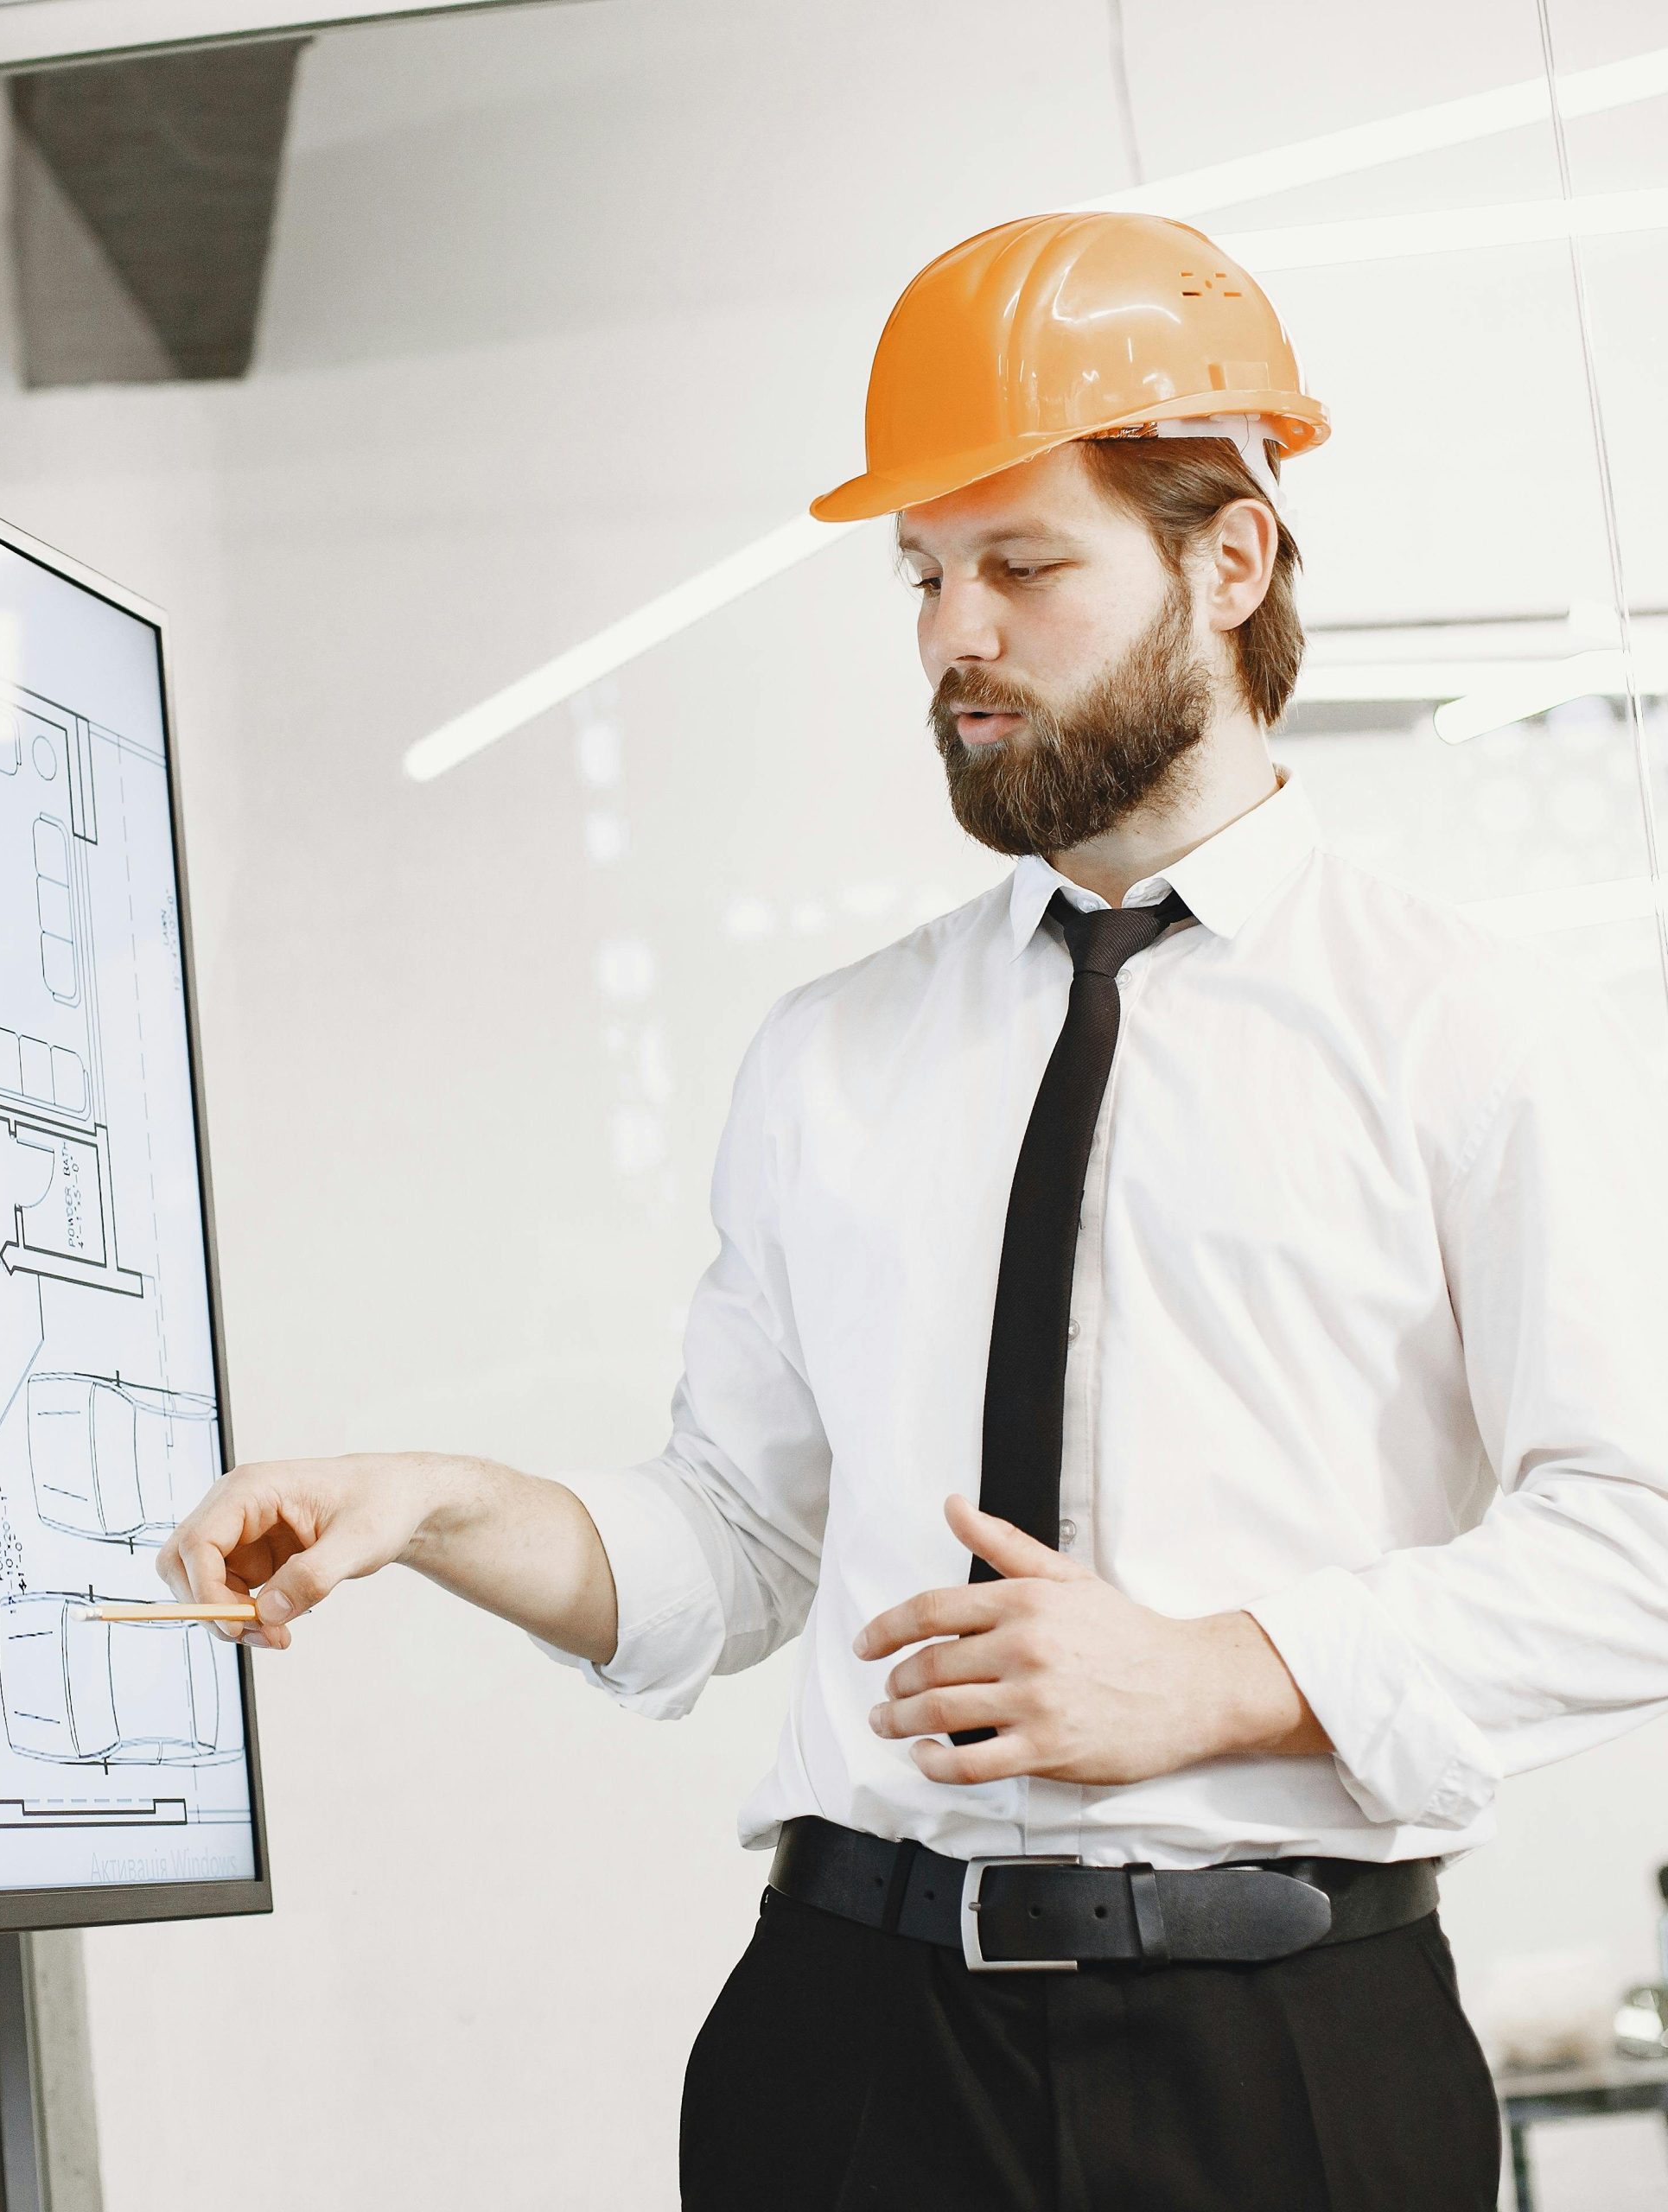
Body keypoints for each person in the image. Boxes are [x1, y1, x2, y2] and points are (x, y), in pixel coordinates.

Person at [160, 212, 1668, 2209]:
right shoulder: (832, 1053)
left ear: (1228, 560)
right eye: (922, 573)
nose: (956, 631)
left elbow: (1636, 1533)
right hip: (850, 2048)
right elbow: (735, 1540)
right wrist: (437, 1504)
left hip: (1284, 2059)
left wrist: (1219, 1669)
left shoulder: (1468, 1027)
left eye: (1023, 565)